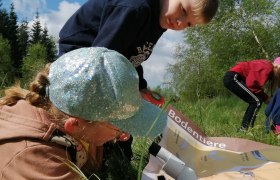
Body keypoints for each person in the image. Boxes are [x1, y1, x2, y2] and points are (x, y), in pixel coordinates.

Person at [0, 47, 167, 179]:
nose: (125, 135)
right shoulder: (37, 160)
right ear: (74, 125)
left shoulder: (73, 126)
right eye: (118, 128)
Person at [58, 0, 219, 95]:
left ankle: (115, 148)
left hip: (103, 59)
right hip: (78, 55)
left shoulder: (159, 20)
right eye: (183, 11)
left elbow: (129, 57)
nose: (180, 23)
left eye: (189, 24)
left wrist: (141, 88)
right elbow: (101, 59)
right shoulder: (135, 8)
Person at [223, 57, 280, 131]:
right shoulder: (268, 67)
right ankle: (245, 129)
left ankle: (244, 128)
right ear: (277, 67)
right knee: (256, 102)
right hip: (234, 77)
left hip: (234, 77)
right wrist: (266, 98)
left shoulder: (268, 68)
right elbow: (252, 84)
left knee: (256, 101)